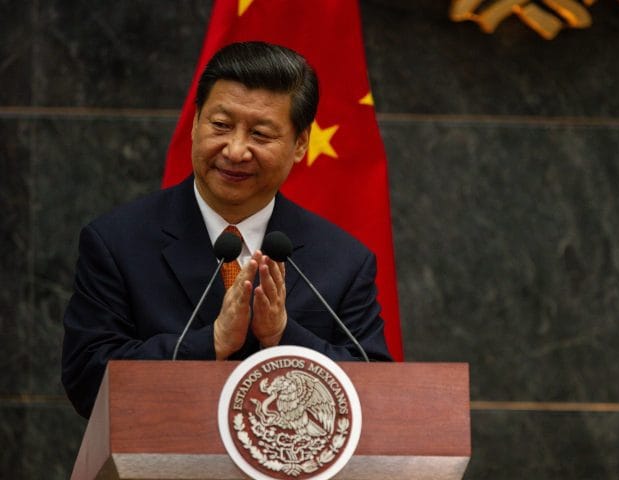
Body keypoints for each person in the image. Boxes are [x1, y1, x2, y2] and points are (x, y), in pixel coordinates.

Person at [61, 41, 392, 419]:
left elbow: (378, 391)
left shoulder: (344, 261)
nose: (235, 150)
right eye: (220, 126)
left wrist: (283, 336)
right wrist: (212, 341)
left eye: (260, 134)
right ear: (195, 123)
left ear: (300, 144)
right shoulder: (117, 242)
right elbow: (87, 380)